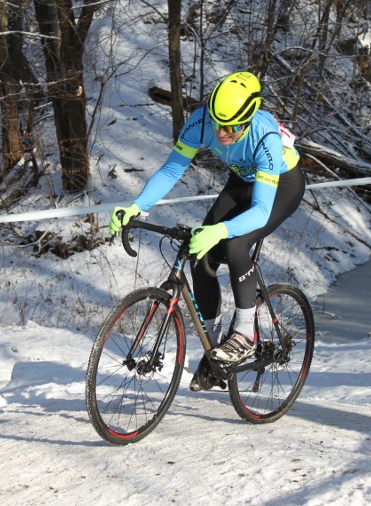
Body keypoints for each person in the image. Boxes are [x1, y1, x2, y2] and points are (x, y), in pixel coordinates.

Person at [109, 71, 306, 391]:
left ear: (249, 118)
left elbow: (260, 212)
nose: (222, 132)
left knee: (234, 244)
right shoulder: (202, 121)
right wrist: (137, 206)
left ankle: (244, 333)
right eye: (218, 123)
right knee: (199, 252)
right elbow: (172, 169)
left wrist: (221, 231)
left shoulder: (265, 137)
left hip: (281, 185)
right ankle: (215, 351)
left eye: (232, 127)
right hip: (240, 181)